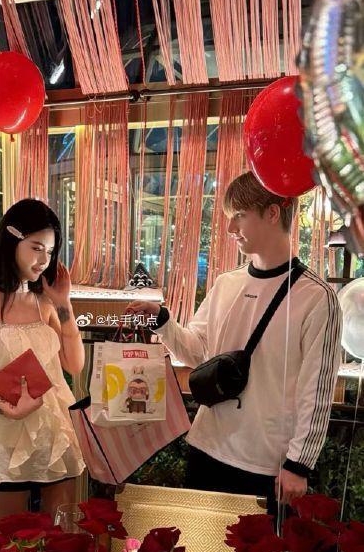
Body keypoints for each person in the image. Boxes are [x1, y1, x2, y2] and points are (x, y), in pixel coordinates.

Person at [127, 172, 342, 515]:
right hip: (206, 446)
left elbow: (315, 391)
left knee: (258, 551)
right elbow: (197, 353)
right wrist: (162, 321)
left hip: (266, 464)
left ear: (272, 213)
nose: (230, 228)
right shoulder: (226, 283)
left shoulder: (317, 297)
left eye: (239, 216)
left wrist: (299, 464)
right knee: (198, 546)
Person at [0, 199, 86, 521]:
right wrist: (9, 409)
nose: (44, 260)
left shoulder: (45, 301)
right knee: (13, 539)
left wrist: (64, 305)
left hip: (53, 430)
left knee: (62, 534)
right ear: (12, 240)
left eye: (50, 251)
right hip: (4, 435)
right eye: (36, 248)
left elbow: (73, 365)